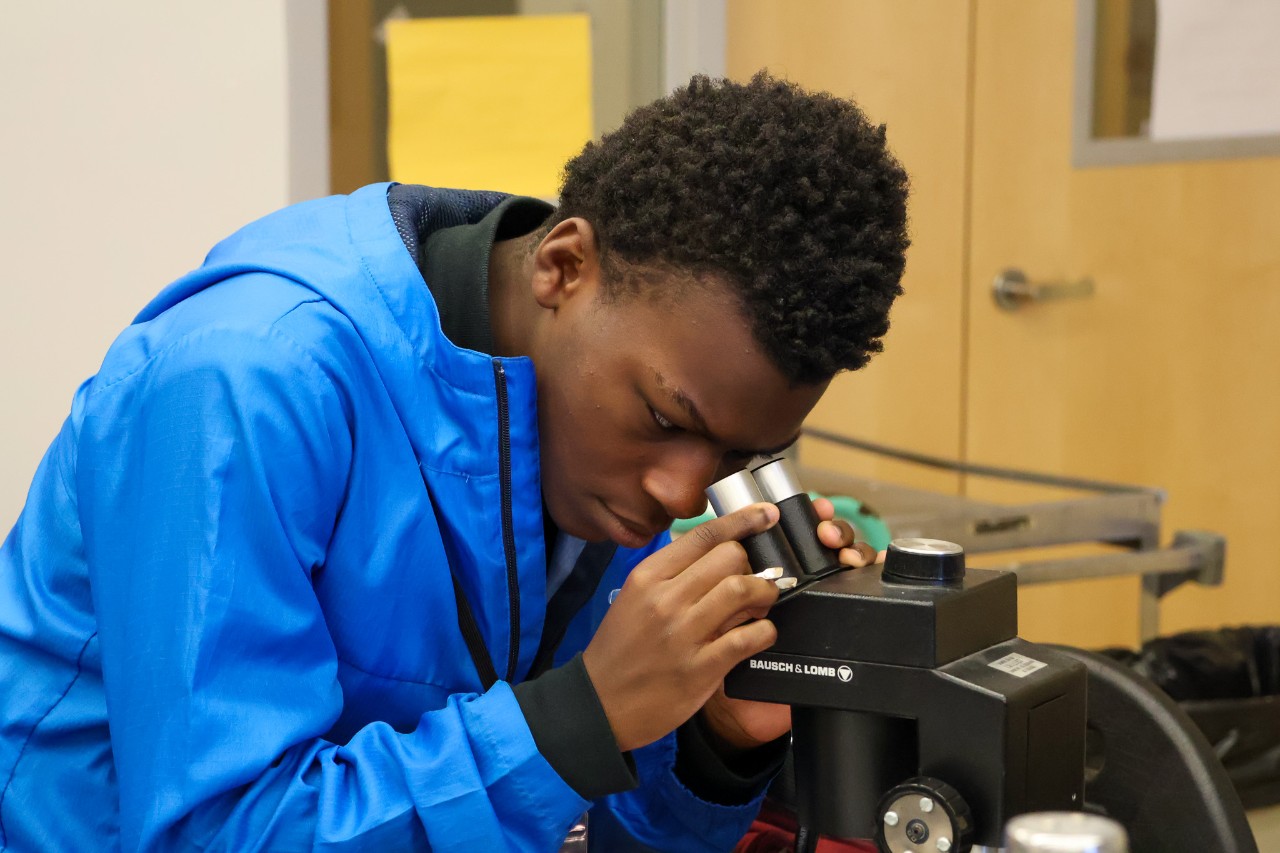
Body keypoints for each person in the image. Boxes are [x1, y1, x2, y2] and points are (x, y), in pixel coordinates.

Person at [0, 72, 909, 851]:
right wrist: (578, 718)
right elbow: (217, 832)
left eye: (739, 456)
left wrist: (713, 739)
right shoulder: (249, 379)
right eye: (665, 417)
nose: (679, 491)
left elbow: (575, 824)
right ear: (564, 266)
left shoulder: (595, 434)